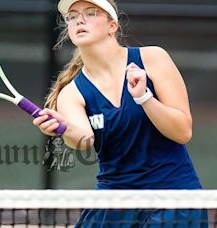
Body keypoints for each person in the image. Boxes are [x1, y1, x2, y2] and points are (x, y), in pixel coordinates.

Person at [33, 0, 207, 227]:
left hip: (174, 198)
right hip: (114, 204)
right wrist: (62, 127)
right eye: (73, 16)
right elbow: (84, 140)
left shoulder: (153, 59)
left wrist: (144, 98)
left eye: (91, 13)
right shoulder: (72, 93)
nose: (80, 20)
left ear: (112, 25)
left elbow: (183, 131)